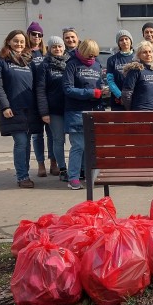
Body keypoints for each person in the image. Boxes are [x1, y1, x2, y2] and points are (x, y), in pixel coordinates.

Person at [0, 30, 41, 188]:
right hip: (13, 109)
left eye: (22, 41)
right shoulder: (0, 62)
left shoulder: (29, 62)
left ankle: (24, 173)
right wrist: (5, 106)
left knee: (27, 144)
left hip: (30, 110)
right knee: (20, 142)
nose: (19, 44)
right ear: (8, 42)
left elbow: (36, 86)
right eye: (16, 41)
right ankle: (22, 176)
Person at [63, 39, 105, 190]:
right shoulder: (72, 64)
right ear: (82, 51)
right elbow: (67, 89)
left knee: (92, 148)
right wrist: (91, 93)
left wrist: (103, 92)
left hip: (94, 111)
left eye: (94, 55)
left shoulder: (97, 64)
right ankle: (73, 177)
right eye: (89, 55)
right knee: (78, 146)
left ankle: (91, 176)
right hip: (76, 112)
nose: (91, 58)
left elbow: (99, 85)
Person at [35, 36, 69, 182]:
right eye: (54, 47)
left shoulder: (70, 63)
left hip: (70, 108)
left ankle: (77, 168)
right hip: (54, 110)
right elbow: (40, 90)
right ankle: (62, 168)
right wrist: (44, 112)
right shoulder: (44, 65)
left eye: (60, 46)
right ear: (49, 49)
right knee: (58, 139)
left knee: (75, 141)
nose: (57, 49)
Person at [27, 22, 56, 177]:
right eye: (33, 34)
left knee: (51, 133)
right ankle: (40, 164)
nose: (36, 37)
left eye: (39, 35)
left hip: (47, 99)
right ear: (28, 35)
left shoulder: (46, 54)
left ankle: (53, 162)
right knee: (37, 134)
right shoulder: (24, 53)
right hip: (32, 100)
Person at [121, 41, 153, 111]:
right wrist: (131, 111)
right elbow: (126, 93)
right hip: (140, 112)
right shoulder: (135, 70)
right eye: (145, 52)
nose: (148, 54)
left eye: (150, 52)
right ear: (139, 55)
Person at [106, 29, 135, 110]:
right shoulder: (112, 60)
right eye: (121, 40)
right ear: (118, 43)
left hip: (135, 98)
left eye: (126, 39)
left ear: (131, 41)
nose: (124, 41)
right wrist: (120, 96)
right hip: (118, 100)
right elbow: (110, 81)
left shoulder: (138, 57)